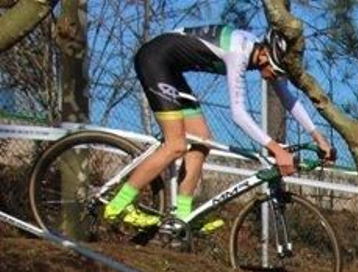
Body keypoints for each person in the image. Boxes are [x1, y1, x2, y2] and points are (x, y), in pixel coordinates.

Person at [106, 25, 335, 234]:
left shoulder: (259, 53)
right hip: (154, 61)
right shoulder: (239, 52)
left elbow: (288, 98)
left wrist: (318, 136)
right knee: (176, 145)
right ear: (266, 55)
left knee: (202, 141)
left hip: (171, 70)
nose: (276, 77)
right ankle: (119, 205)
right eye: (276, 71)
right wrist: (275, 149)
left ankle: (182, 212)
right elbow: (238, 114)